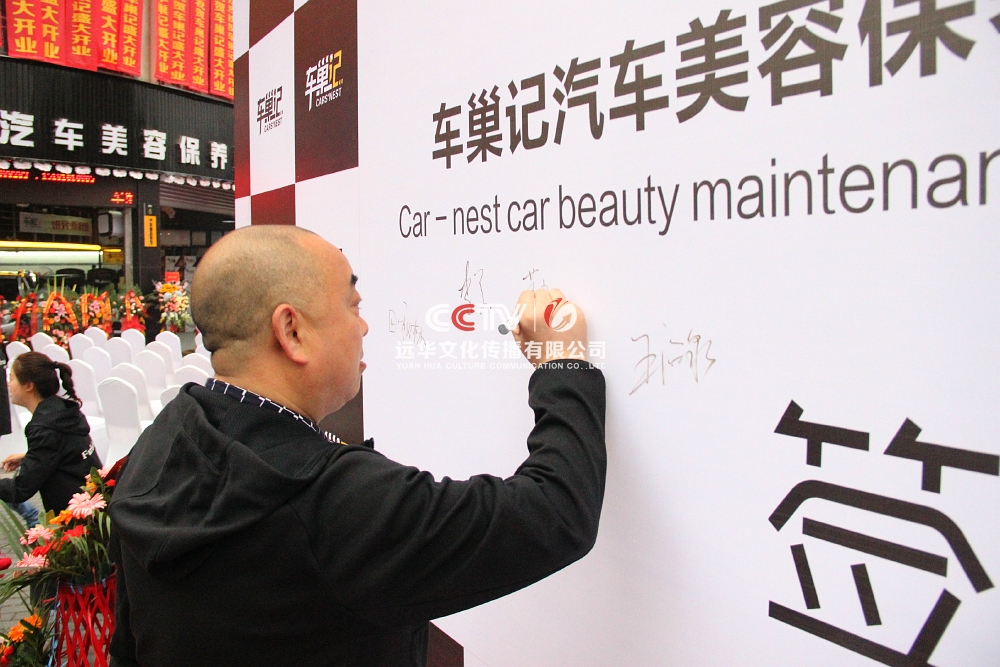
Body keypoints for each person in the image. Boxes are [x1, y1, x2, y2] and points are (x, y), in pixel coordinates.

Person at [108, 226, 606, 667]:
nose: (364, 326)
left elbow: (128, 647)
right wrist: (561, 362)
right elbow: (556, 512)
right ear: (291, 330)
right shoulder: (334, 503)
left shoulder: (164, 441)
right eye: (353, 305)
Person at [0, 352, 101, 516]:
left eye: (11, 378)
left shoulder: (44, 427)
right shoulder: (63, 409)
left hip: (77, 517)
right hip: (95, 502)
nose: (7, 384)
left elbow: (21, 489)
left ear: (28, 386)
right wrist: (28, 457)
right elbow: (66, 452)